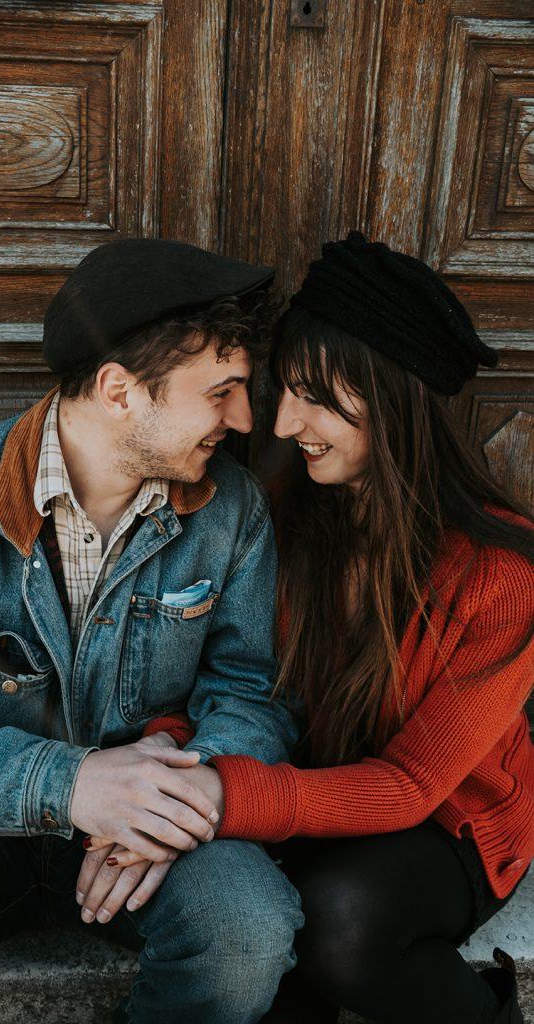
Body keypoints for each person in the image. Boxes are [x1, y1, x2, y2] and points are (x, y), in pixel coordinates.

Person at [81, 233, 534, 1024]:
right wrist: (161, 780)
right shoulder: (272, 520)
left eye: (318, 397)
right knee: (243, 931)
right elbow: (221, 674)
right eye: (284, 389)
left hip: (442, 819)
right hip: (290, 783)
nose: (285, 423)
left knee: (339, 922)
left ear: (393, 400)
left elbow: (409, 786)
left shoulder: (502, 577)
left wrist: (216, 798)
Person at [0, 238, 305, 1024]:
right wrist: (69, 787)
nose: (243, 418)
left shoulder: (230, 510)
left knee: (245, 930)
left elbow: (251, 689)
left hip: (154, 820)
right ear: (119, 390)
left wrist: (183, 800)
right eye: (222, 390)